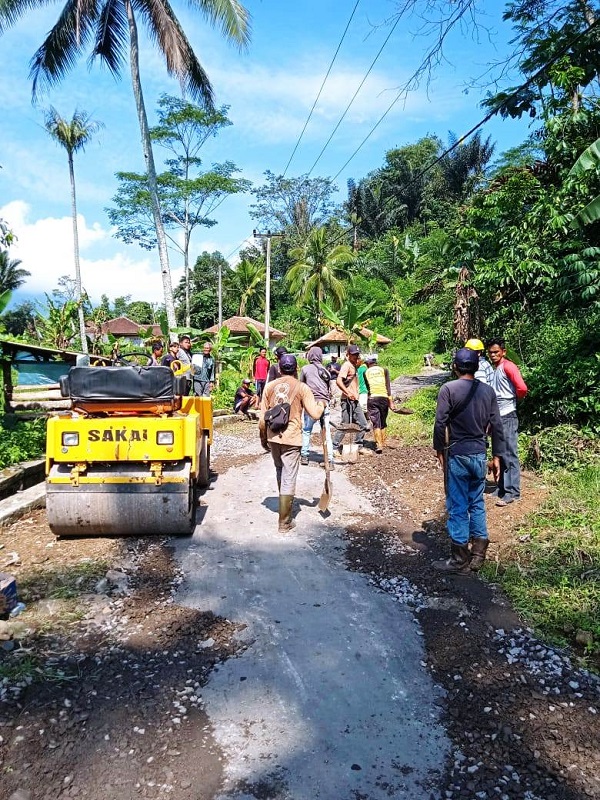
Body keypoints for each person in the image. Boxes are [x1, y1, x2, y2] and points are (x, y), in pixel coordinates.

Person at [432, 347, 504, 573]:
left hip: (457, 453)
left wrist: (439, 450)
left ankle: (459, 558)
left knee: (458, 505)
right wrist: (497, 456)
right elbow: (497, 427)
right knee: (477, 502)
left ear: (455, 367)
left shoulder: (448, 389)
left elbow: (439, 424)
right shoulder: (488, 392)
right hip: (479, 454)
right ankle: (479, 553)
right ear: (476, 366)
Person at [260, 354, 325, 532]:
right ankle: (285, 522)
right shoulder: (302, 388)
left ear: (279, 369)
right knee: (289, 475)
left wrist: (264, 439)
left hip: (273, 437)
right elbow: (315, 414)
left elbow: (261, 419)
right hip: (292, 438)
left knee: (280, 470)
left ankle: (284, 507)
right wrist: (321, 405)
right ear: (296, 369)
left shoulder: (269, 387)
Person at [487, 337, 528, 507]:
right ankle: (502, 488)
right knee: (500, 452)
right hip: (497, 416)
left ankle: (513, 492)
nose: (493, 355)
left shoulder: (508, 366)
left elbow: (522, 388)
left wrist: (513, 401)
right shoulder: (495, 368)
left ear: (503, 352)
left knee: (510, 453)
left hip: (508, 414)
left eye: (496, 352)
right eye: (490, 352)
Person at [299, 346, 334, 469]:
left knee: (307, 430)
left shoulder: (305, 369)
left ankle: (304, 455)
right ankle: (330, 460)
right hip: (324, 403)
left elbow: (301, 386)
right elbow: (330, 390)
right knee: (327, 432)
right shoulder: (326, 370)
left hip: (311, 404)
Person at [332, 344, 370, 453]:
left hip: (354, 400)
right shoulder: (347, 365)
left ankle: (358, 445)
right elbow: (339, 381)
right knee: (346, 425)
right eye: (353, 355)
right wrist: (348, 393)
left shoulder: (354, 366)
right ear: (348, 355)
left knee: (362, 424)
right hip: (348, 400)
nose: (355, 357)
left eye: (357, 354)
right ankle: (334, 447)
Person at [364, 355, 392, 454]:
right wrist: (390, 402)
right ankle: (383, 443)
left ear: (367, 363)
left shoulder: (365, 372)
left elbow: (368, 388)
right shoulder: (384, 370)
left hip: (372, 398)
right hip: (384, 398)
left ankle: (379, 445)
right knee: (383, 421)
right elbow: (388, 387)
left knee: (376, 422)